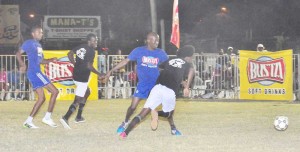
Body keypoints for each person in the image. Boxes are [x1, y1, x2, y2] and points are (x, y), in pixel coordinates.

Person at [119, 45, 195, 139]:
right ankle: (156, 113)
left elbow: (159, 68)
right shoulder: (187, 63)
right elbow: (192, 70)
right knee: (169, 113)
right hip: (170, 90)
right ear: (188, 57)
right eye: (192, 57)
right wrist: (186, 87)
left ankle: (125, 133)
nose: (192, 59)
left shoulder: (170, 60)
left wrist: (173, 76)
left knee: (142, 113)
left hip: (158, 87)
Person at [106, 32, 168, 134]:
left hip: (155, 85)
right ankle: (125, 121)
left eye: (158, 40)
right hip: (143, 84)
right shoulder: (139, 51)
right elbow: (125, 61)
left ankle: (172, 127)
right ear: (148, 40)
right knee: (133, 106)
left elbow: (168, 66)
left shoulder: (161, 53)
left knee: (155, 106)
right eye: (154, 40)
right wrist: (111, 70)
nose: (157, 42)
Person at [16, 26, 59, 128]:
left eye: (42, 32)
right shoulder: (29, 42)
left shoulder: (38, 45)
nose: (41, 34)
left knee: (42, 98)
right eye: (39, 32)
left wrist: (51, 59)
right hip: (35, 72)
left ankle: (28, 121)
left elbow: (41, 61)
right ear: (33, 33)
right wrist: (22, 64)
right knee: (55, 91)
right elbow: (18, 53)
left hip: (36, 72)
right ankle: (47, 118)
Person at [59, 33, 105, 129]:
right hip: (82, 78)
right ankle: (66, 117)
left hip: (76, 75)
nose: (96, 42)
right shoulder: (91, 51)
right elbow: (89, 66)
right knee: (78, 99)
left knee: (87, 92)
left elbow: (69, 54)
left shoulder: (81, 47)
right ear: (89, 41)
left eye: (96, 40)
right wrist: (99, 73)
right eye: (94, 40)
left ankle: (79, 116)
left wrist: (74, 63)